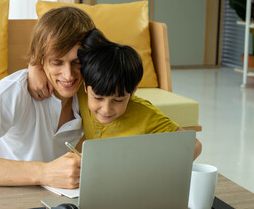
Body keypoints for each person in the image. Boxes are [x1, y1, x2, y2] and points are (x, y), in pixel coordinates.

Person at [0, 6, 96, 188]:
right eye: (56, 62)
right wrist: (43, 173)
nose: (68, 75)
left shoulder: (95, 94)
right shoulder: (16, 90)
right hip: (8, 195)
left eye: (78, 63)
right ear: (41, 59)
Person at [28, 28, 202, 160]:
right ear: (86, 86)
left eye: (118, 100)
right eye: (98, 98)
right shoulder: (81, 89)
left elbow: (194, 145)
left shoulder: (147, 115)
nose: (106, 109)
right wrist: (34, 66)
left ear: (133, 91)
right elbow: (56, 54)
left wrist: (154, 168)